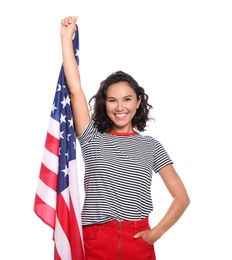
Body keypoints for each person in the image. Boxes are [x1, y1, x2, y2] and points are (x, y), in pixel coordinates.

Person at [60, 16, 190, 260]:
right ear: (104, 103)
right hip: (96, 240)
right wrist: (66, 38)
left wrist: (156, 233)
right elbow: (75, 89)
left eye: (127, 99)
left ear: (138, 101)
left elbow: (181, 197)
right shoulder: (92, 139)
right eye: (112, 100)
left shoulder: (151, 146)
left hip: (138, 239)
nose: (120, 107)